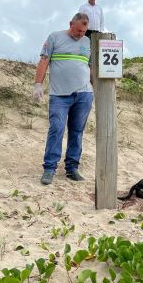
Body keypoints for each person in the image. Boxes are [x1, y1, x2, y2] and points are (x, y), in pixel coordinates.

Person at [33, 13, 93, 185]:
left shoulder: (88, 42)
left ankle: (72, 168)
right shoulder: (55, 37)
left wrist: (95, 87)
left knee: (76, 132)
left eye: (84, 31)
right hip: (59, 95)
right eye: (78, 30)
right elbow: (44, 60)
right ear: (70, 24)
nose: (81, 34)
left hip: (84, 94)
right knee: (57, 128)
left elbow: (90, 67)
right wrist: (38, 85)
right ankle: (49, 169)